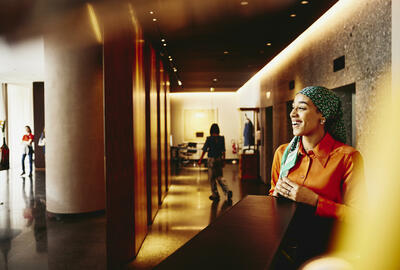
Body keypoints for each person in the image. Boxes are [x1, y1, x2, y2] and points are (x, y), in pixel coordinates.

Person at [269, 86, 365, 268]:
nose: (293, 114)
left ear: (323, 116)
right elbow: (272, 200)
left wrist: (314, 200)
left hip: (327, 252)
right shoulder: (282, 154)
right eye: (293, 108)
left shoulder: (348, 157)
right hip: (283, 250)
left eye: (302, 108)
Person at [198, 123, 233, 202]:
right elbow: (223, 150)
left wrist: (200, 160)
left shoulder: (209, 139)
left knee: (212, 178)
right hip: (219, 159)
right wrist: (224, 160)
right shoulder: (221, 138)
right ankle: (227, 191)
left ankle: (215, 195)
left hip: (211, 160)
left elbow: (204, 150)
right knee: (220, 177)